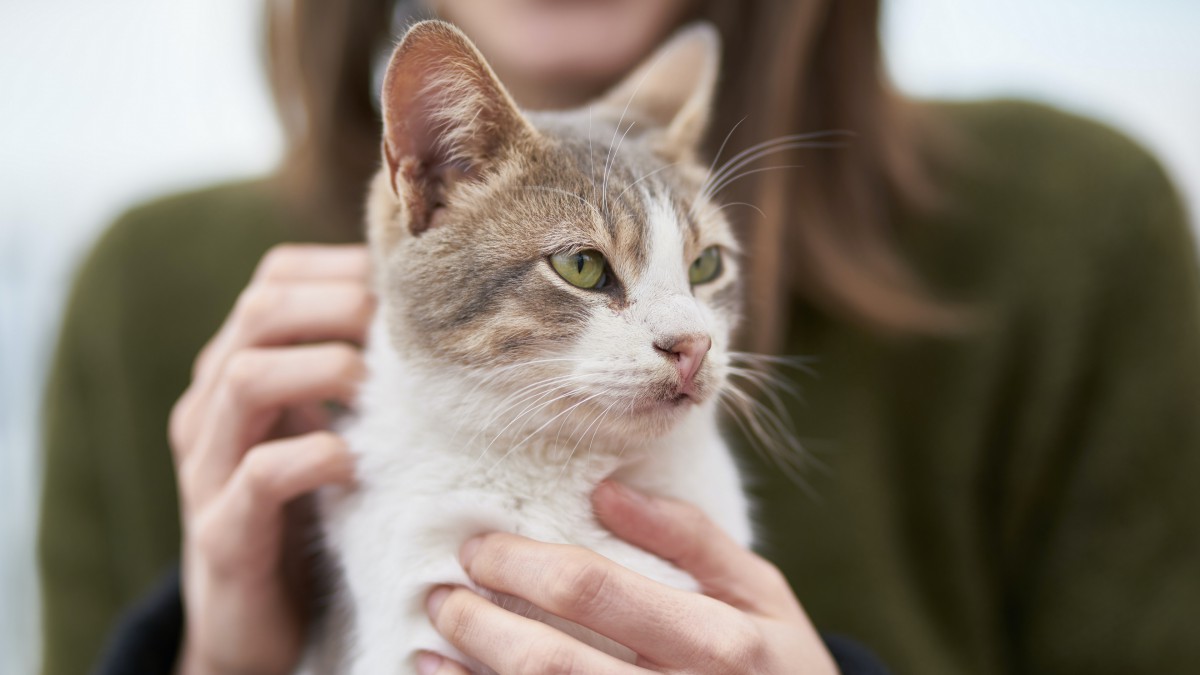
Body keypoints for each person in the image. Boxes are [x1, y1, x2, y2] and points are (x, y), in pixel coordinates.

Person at [38, 1, 1200, 674]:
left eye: (705, 270)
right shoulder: (146, 285)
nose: (688, 339)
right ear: (428, 180)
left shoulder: (1076, 223)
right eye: (588, 269)